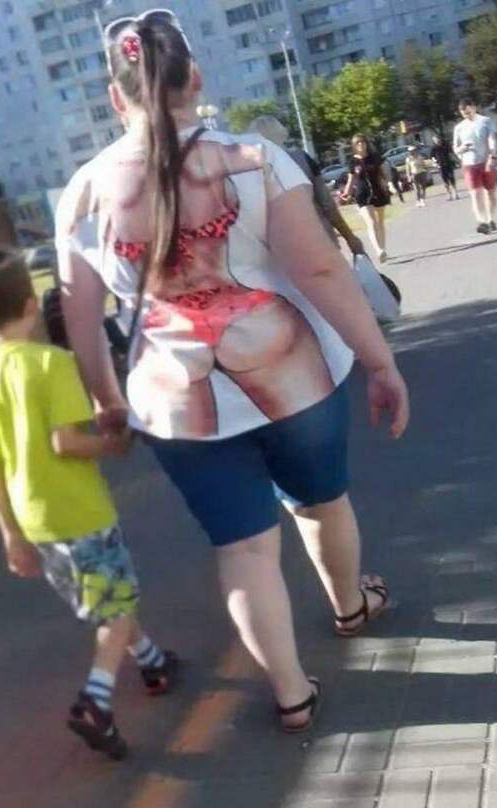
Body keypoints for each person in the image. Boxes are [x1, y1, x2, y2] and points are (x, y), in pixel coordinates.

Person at [56, 10, 409, 735]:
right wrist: (379, 360)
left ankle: (292, 695)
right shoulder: (255, 157)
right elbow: (318, 270)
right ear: (195, 77)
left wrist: (107, 401)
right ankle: (350, 607)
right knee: (322, 504)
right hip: (290, 368)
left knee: (244, 549)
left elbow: (81, 317)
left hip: (171, 394)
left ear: (116, 96)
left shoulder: (84, 192)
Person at [0, 244, 176, 761]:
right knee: (114, 604)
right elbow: (66, 443)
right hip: (79, 509)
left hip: (33, 517)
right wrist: (113, 445)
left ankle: (152, 662)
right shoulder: (49, 364)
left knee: (106, 597)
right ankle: (96, 700)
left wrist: (10, 532)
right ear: (31, 306)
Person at [250, 115, 365, 258]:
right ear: (281, 133)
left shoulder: (249, 171)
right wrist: (349, 237)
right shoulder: (302, 158)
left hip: (281, 252)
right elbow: (327, 203)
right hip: (319, 239)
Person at [342, 134, 391, 263]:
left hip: (378, 192)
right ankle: (378, 250)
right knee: (371, 222)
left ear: (366, 144)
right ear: (354, 146)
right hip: (362, 195)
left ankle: (383, 248)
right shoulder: (352, 161)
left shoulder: (374, 157)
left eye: (363, 142)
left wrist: (389, 184)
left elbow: (383, 173)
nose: (361, 145)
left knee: (380, 222)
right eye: (358, 143)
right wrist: (346, 193)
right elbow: (351, 179)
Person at [453, 97, 497, 233]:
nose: (467, 115)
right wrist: (462, 148)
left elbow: (492, 139)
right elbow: (455, 148)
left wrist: (492, 155)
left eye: (468, 112)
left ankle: (490, 219)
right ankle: (482, 222)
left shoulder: (485, 121)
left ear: (474, 108)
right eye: (464, 114)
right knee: (475, 193)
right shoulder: (459, 128)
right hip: (469, 163)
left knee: (490, 192)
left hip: (486, 161)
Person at [429, 134, 459, 201]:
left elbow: (451, 153)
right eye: (435, 140)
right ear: (434, 141)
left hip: (448, 164)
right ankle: (449, 194)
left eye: (438, 139)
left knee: (452, 179)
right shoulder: (433, 148)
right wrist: (435, 163)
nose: (437, 140)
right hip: (441, 166)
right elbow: (431, 157)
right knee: (445, 181)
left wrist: (455, 160)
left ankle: (455, 193)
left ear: (440, 139)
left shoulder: (446, 145)